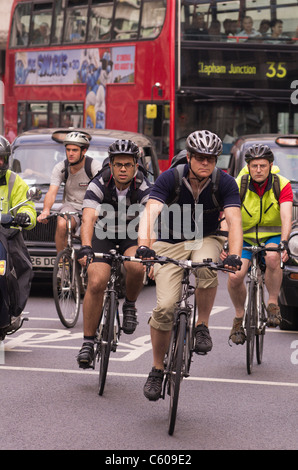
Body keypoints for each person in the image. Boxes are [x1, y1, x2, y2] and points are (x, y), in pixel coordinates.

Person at [136, 130, 243, 401]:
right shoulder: (170, 178)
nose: (205, 163)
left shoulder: (226, 182)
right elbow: (150, 213)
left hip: (205, 238)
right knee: (164, 307)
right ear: (190, 157)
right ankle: (157, 369)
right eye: (199, 158)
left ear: (216, 159)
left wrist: (234, 254)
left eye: (210, 158)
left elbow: (234, 221)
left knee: (205, 265)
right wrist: (144, 246)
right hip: (170, 242)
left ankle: (202, 326)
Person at [76, 139, 152, 369]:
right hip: (103, 233)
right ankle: (88, 341)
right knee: (97, 281)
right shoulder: (99, 182)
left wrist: (145, 248)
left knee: (137, 265)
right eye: (118, 164)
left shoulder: (145, 186)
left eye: (128, 165)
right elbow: (88, 217)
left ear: (136, 166)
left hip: (132, 234)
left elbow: (149, 222)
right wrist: (87, 246)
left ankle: (130, 304)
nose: (122, 169)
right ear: (110, 164)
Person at [226, 144, 293, 345]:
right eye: (254, 165)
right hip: (243, 237)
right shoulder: (238, 184)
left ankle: (272, 303)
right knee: (235, 275)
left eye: (263, 166)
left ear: (271, 166)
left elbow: (286, 215)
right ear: (248, 166)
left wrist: (283, 241)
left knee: (273, 257)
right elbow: (228, 216)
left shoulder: (282, 184)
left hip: (271, 236)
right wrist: (225, 243)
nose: (258, 170)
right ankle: (239, 317)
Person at [37, 131, 102, 253]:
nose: (70, 154)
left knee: (87, 231)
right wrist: (46, 211)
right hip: (71, 206)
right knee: (62, 223)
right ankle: (63, 262)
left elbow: (102, 191)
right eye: (68, 150)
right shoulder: (61, 168)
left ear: (84, 151)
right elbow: (52, 192)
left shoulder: (94, 167)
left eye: (75, 150)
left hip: (92, 207)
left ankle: (86, 259)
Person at [0, 136, 37, 332]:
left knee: (19, 268)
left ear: (6, 160)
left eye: (0, 159)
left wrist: (24, 216)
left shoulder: (16, 181)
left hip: (6, 236)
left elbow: (29, 207)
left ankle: (13, 309)